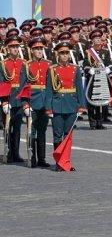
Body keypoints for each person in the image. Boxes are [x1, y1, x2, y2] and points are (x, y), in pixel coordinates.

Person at [44, 41, 86, 171]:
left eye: (66, 53)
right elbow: (49, 90)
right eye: (62, 53)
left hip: (71, 105)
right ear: (58, 55)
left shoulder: (75, 69)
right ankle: (58, 163)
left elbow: (79, 88)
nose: (64, 55)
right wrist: (48, 108)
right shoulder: (52, 70)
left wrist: (81, 106)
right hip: (57, 105)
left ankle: (66, 161)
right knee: (57, 135)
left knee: (68, 135)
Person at [0, 34, 28, 162]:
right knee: (7, 126)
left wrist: (26, 101)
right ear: (8, 48)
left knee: (17, 127)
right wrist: (4, 101)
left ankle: (15, 152)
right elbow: (2, 83)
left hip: (19, 99)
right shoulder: (3, 64)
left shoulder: (24, 63)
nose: (15, 49)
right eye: (12, 47)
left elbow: (26, 83)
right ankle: (8, 152)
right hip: (9, 98)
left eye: (17, 47)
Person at [24, 38, 52, 167]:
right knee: (32, 130)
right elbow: (23, 86)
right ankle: (32, 158)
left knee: (42, 130)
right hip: (33, 101)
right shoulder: (27, 65)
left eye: (41, 49)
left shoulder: (49, 64)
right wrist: (25, 104)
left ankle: (42, 158)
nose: (39, 51)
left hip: (45, 102)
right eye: (37, 49)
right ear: (32, 51)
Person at [82, 29, 112, 130]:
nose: (98, 40)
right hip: (92, 79)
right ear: (92, 40)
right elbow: (85, 66)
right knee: (92, 101)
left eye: (99, 38)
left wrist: (108, 68)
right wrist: (90, 70)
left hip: (103, 79)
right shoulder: (88, 52)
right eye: (96, 38)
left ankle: (100, 122)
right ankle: (93, 123)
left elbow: (110, 64)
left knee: (102, 101)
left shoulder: (106, 52)